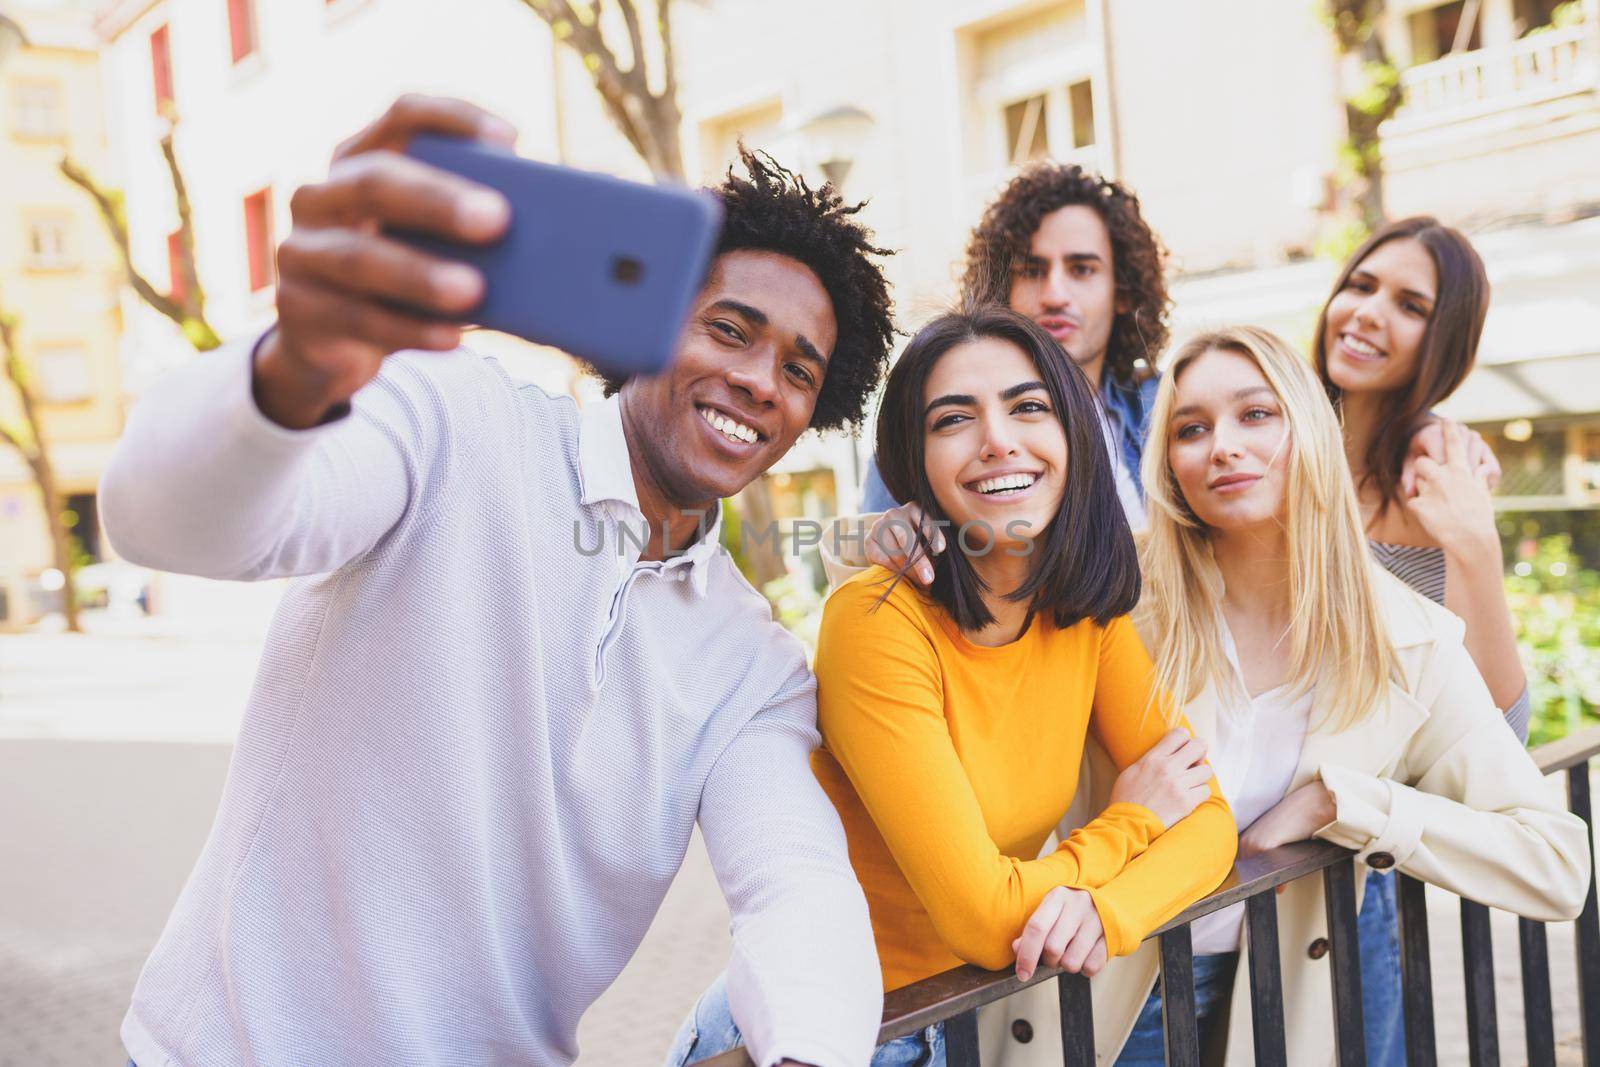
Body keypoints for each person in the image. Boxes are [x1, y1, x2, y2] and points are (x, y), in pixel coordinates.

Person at [100, 96, 898, 1067]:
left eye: (798, 371)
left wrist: (809, 1051)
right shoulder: (455, 419)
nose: (760, 380)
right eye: (729, 329)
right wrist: (296, 365)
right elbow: (168, 523)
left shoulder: (753, 664)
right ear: (648, 323)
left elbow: (797, 885)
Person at [668, 305, 1238, 1066]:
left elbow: (1211, 823)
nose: (998, 438)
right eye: (953, 419)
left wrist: (1108, 912)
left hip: (960, 1024)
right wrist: (1131, 823)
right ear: (917, 464)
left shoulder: (1084, 618)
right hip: (811, 1038)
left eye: (1028, 406)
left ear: (1073, 433)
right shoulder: (876, 621)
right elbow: (983, 917)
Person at [1082, 325, 1586, 1063]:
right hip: (1118, 993)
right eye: (1191, 428)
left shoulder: (1405, 639)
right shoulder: (1111, 599)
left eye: (1256, 414)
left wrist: (1353, 806)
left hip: (1301, 993)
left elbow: (1556, 863)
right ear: (1169, 462)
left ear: (1310, 431)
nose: (1221, 445)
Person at [1313, 217, 1529, 1064]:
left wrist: (1472, 545)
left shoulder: (1440, 483)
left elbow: (1497, 736)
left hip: (1356, 867)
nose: (1367, 313)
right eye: (1361, 285)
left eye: (1409, 304)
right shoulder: (1266, 447)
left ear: (1444, 343)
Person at [859, 163, 1169, 533]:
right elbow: (871, 573)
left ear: (1122, 292)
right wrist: (874, 543)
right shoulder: (921, 424)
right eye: (1033, 271)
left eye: (1082, 269)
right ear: (1003, 285)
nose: (1055, 295)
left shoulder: (1165, 409)